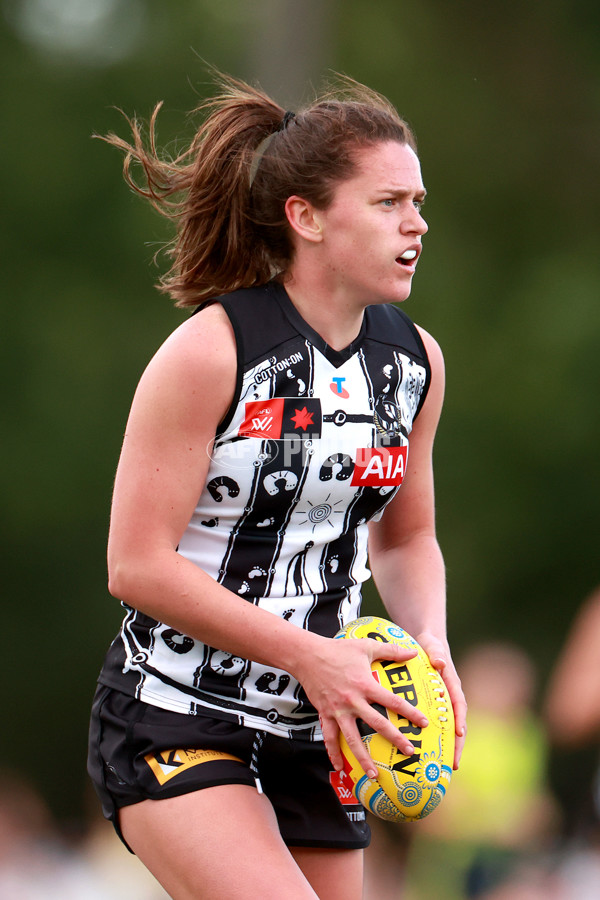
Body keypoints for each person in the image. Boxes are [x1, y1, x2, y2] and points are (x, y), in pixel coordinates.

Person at [87, 70, 467, 900]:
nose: (418, 222)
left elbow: (406, 538)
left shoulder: (415, 363)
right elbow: (136, 566)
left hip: (325, 731)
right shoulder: (212, 351)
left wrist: (430, 646)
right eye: (389, 202)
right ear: (306, 217)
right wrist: (312, 657)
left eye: (419, 200)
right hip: (176, 713)